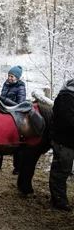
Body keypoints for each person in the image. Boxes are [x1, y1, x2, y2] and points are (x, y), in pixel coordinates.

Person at [0, 66, 26, 174]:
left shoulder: (21, 86)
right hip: (3, 110)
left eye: (12, 76)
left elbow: (20, 104)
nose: (10, 78)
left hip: (14, 113)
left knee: (16, 139)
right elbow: (2, 97)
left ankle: (18, 167)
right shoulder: (6, 83)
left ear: (17, 77)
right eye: (9, 75)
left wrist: (5, 100)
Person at [49, 79, 74, 212]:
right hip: (64, 140)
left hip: (69, 140)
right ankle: (58, 199)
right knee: (61, 170)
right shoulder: (67, 96)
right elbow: (67, 120)